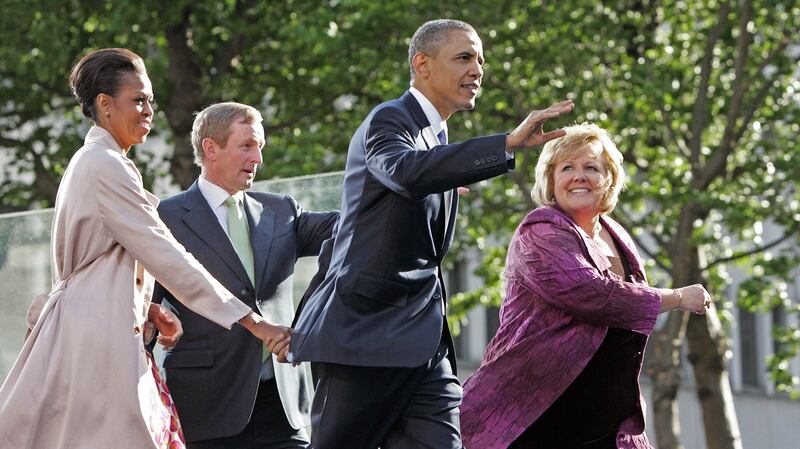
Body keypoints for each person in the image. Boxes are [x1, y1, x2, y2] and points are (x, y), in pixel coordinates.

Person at [289, 19, 574, 449]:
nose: (477, 69)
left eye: (480, 59)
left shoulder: (438, 139)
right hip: (365, 337)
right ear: (422, 64)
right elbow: (402, 171)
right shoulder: (389, 118)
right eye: (464, 58)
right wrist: (505, 145)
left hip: (424, 345)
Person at [0, 48, 290, 449]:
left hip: (97, 331)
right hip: (95, 339)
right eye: (138, 99)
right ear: (104, 104)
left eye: (150, 99)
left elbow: (101, 261)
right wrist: (253, 322)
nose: (149, 109)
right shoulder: (104, 164)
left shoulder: (99, 162)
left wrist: (149, 308)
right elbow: (165, 254)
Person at [460, 123, 713, 449]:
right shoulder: (539, 231)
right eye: (567, 168)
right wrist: (677, 297)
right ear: (551, 180)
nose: (579, 176)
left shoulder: (617, 235)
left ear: (608, 179)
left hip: (608, 423)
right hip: (537, 417)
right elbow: (591, 294)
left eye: (591, 167)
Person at [151, 102, 337, 449]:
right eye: (247, 146)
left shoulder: (281, 210)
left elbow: (351, 225)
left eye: (260, 147)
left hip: (283, 408)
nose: (258, 158)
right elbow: (146, 305)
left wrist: (415, 190)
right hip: (206, 408)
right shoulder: (166, 217)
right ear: (211, 149)